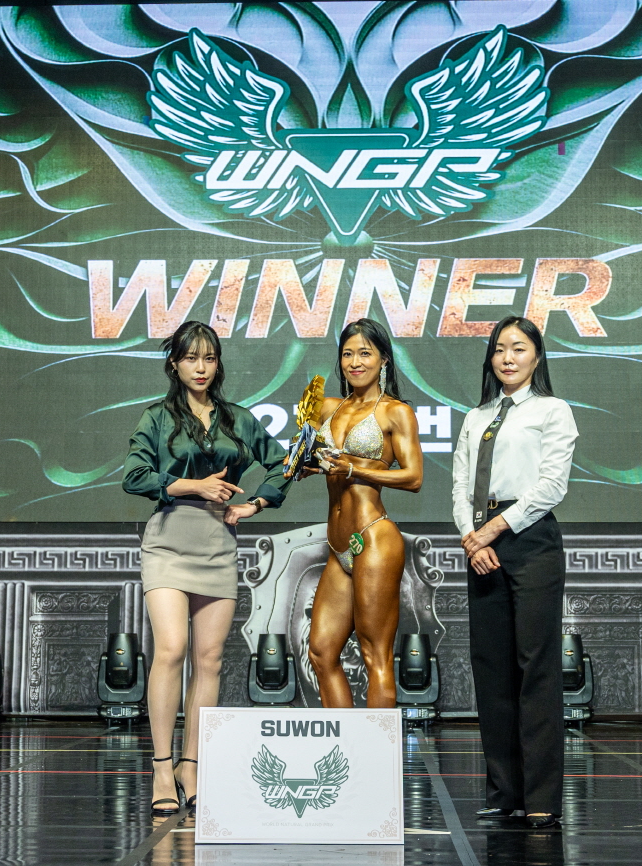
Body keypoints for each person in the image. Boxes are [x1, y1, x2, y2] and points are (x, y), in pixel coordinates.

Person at [122, 320, 289, 816]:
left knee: (210, 659)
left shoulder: (238, 419)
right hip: (169, 543)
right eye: (191, 358)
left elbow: (284, 463)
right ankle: (161, 767)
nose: (201, 367)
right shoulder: (156, 417)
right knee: (171, 649)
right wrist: (194, 485)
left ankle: (190, 766)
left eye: (209, 358)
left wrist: (255, 504)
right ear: (174, 363)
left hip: (218, 543)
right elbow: (134, 476)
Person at [451, 315, 578, 831]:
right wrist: (471, 536)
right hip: (481, 543)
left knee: (535, 667)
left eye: (519, 348)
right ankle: (504, 792)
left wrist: (493, 530)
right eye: (500, 348)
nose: (508, 357)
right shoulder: (475, 416)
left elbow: (552, 485)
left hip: (530, 539)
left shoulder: (552, 410)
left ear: (537, 356)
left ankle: (541, 796)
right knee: (492, 668)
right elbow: (460, 486)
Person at [305, 318, 424, 708]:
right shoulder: (326, 407)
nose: (355, 362)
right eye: (347, 354)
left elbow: (413, 477)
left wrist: (354, 469)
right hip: (338, 546)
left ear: (383, 359)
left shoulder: (395, 412)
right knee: (321, 652)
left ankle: (377, 748)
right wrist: (303, 463)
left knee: (375, 656)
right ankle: (345, 741)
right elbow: (304, 454)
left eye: (365, 353)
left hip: (373, 538)